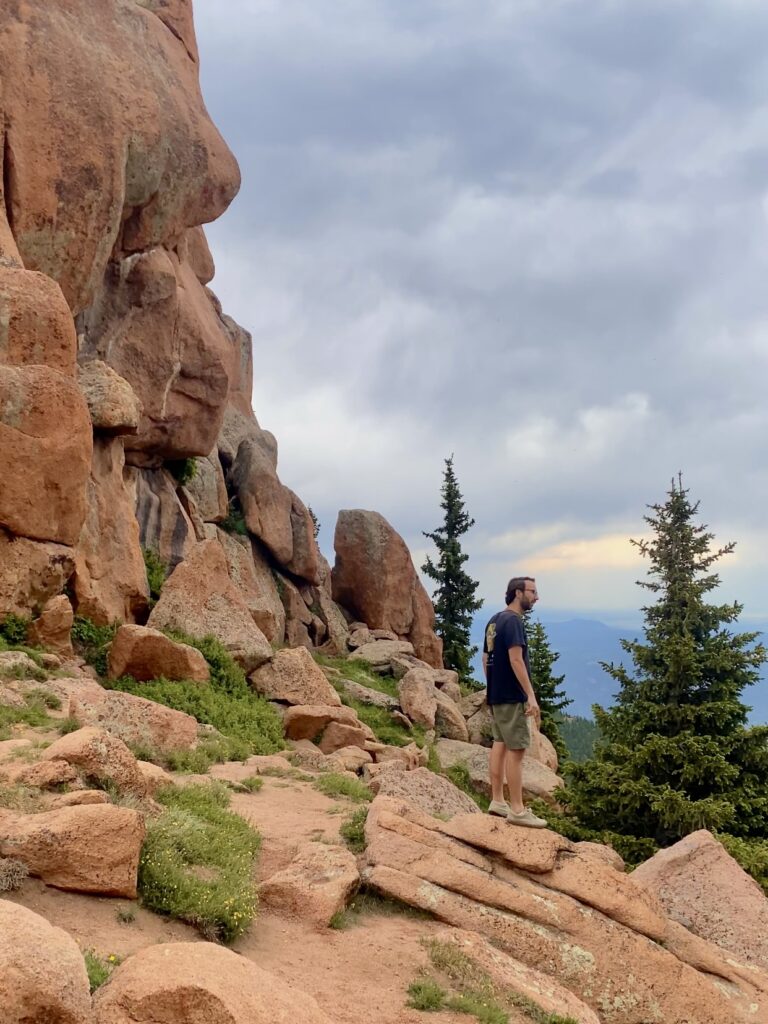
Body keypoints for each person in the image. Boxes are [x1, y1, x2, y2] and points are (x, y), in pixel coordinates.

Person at [482, 576, 547, 828]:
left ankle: (498, 801)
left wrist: (492, 686)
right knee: (517, 749)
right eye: (532, 591)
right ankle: (518, 810)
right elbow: (516, 660)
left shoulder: (494, 621)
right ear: (518, 593)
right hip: (511, 695)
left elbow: (486, 657)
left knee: (499, 743)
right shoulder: (514, 622)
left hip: (497, 694)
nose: (536, 597)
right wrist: (530, 695)